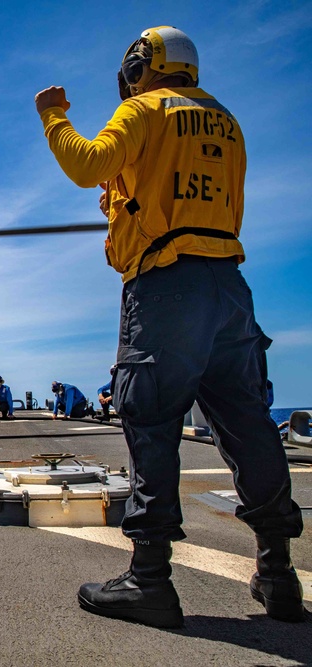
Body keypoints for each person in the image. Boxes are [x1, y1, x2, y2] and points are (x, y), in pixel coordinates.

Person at [36, 26, 304, 627]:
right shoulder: (226, 121)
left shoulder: (144, 110)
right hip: (230, 291)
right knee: (248, 425)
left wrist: (53, 116)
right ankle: (278, 573)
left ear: (140, 66)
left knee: (151, 420)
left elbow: (87, 165)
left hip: (165, 287)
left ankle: (150, 579)